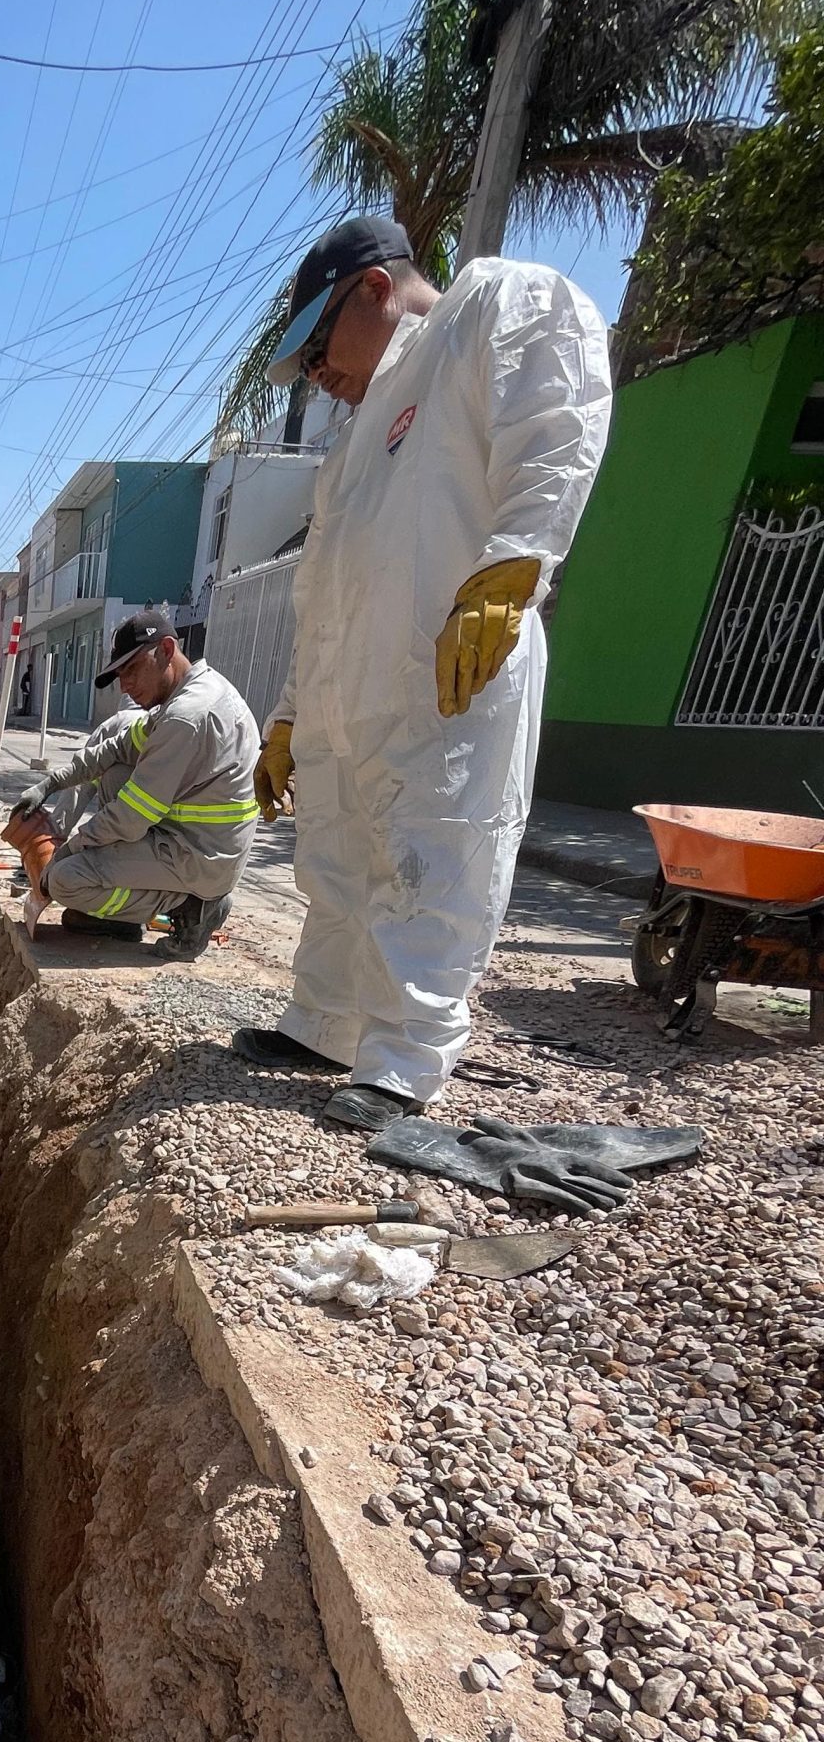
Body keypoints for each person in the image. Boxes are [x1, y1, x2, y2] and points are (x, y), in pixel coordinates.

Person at [235, 214, 612, 1131]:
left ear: (374, 288)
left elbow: (554, 425)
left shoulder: (492, 309)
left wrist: (517, 561)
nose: (316, 374)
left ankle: (403, 1063)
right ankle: (324, 1024)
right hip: (347, 700)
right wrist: (290, 716)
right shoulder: (350, 452)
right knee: (337, 867)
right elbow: (321, 596)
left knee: (432, 858)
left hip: (446, 680)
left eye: (317, 348)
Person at [5, 609, 259, 959]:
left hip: (200, 857)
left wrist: (70, 849)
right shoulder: (187, 696)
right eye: (120, 674)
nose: (124, 686)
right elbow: (117, 748)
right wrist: (50, 784)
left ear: (166, 650)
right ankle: (122, 915)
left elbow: (130, 817)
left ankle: (192, 907)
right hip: (190, 838)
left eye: (132, 669)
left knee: (65, 879)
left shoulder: (187, 717)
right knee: (114, 772)